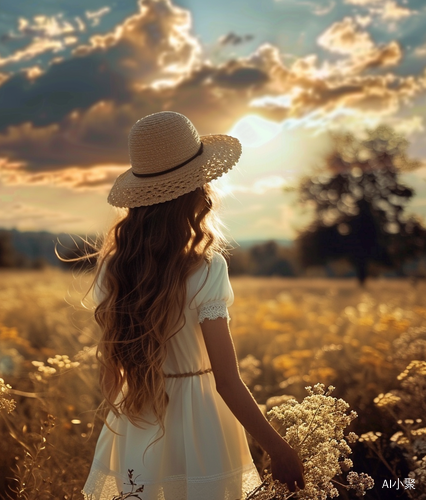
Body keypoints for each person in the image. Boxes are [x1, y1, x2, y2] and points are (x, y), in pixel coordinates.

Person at [81, 111, 305, 500]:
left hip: (136, 419)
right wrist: (279, 449)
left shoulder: (112, 269)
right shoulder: (207, 268)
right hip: (202, 422)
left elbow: (110, 374)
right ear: (194, 191)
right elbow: (227, 381)